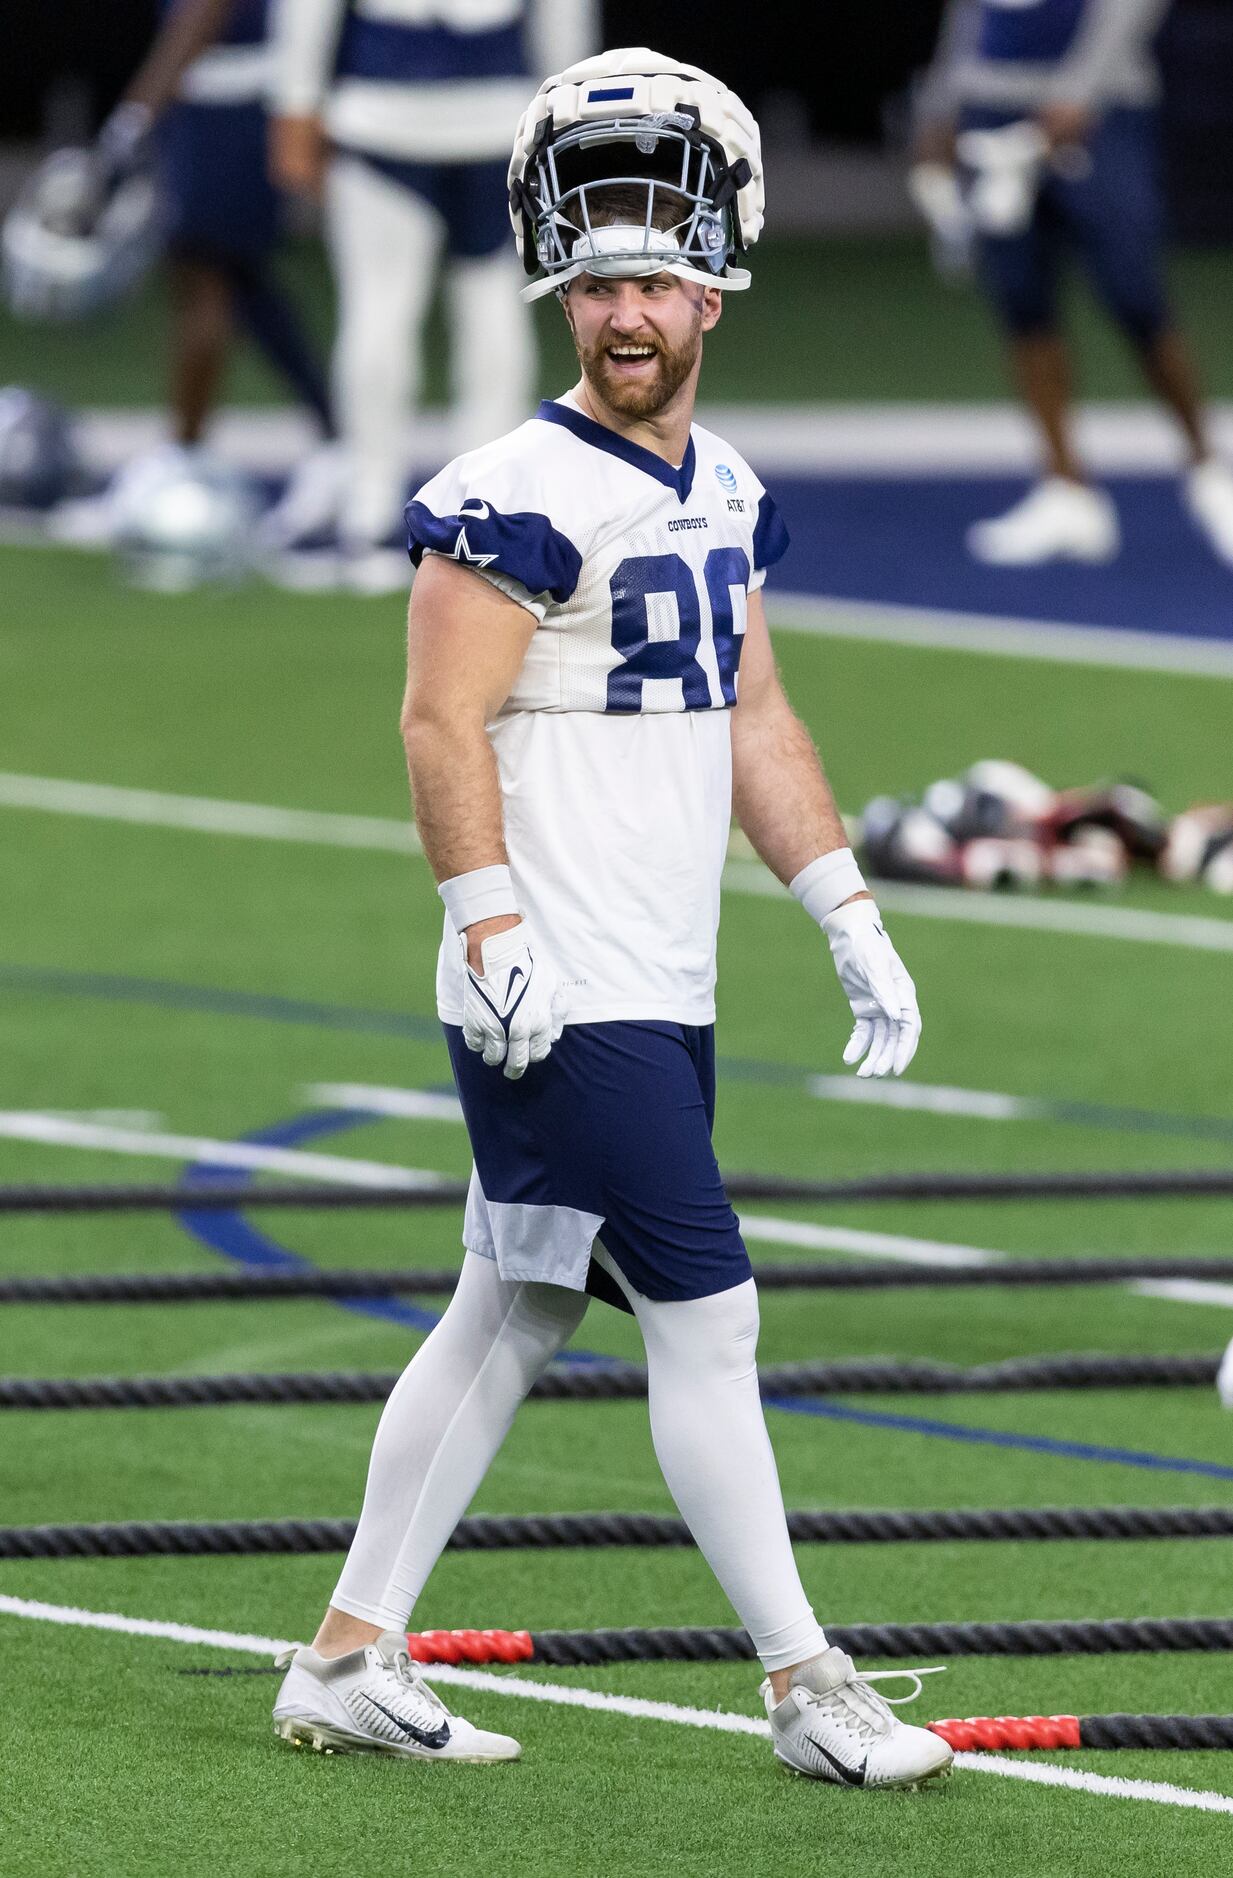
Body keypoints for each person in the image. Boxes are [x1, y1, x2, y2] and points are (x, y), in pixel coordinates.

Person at [271, 47, 952, 1792]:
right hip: (558, 975)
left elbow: (755, 716)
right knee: (704, 1313)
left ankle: (350, 1647)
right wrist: (489, 922)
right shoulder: (519, 482)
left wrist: (844, 908)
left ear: (714, 284)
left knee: (510, 1305)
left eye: (652, 275)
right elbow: (436, 721)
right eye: (597, 277)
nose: (621, 308)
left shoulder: (717, 487)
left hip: (659, 961)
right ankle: (805, 1680)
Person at [267, 0, 596, 590]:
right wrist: (570, 110)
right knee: (493, 305)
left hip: (385, 111)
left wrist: (295, 101)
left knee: (381, 309)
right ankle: (485, 512)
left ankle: (370, 513)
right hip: (495, 116)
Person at [913, 0, 1233, 566]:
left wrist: (1080, 91)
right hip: (993, 108)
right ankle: (1066, 487)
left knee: (1134, 293)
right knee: (1023, 302)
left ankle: (1209, 469)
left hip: (1102, 106)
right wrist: (939, 106)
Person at [53, 0, 340, 547]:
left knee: (203, 276)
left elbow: (203, 14)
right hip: (231, 103)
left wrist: (135, 115)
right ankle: (337, 434)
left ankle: (182, 459)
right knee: (244, 283)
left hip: (226, 106)